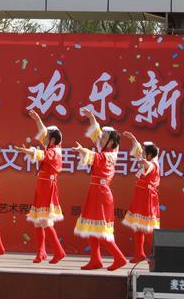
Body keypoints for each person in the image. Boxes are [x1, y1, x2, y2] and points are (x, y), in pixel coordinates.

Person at [71, 110, 128, 271]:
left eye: (103, 138)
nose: (100, 139)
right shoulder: (107, 149)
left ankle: (119, 258)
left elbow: (97, 157)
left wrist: (83, 151)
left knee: (101, 230)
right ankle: (95, 259)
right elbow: (97, 135)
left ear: (111, 142)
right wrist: (92, 118)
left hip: (101, 194)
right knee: (92, 227)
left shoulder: (109, 155)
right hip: (96, 192)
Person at [17, 110, 66, 264]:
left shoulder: (54, 151)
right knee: (37, 221)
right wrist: (38, 119)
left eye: (46, 137)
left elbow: (43, 155)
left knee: (44, 221)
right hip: (42, 186)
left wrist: (29, 151)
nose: (43, 138)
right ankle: (41, 252)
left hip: (48, 188)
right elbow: (43, 133)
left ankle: (59, 251)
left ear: (53, 139)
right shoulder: (51, 147)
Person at [120, 132, 160, 264]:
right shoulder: (148, 160)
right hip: (140, 196)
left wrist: (144, 161)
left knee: (148, 228)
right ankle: (139, 253)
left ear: (149, 155)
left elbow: (148, 166)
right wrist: (133, 139)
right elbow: (138, 152)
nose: (141, 153)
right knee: (137, 226)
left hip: (147, 198)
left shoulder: (153, 164)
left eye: (144, 152)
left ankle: (157, 254)